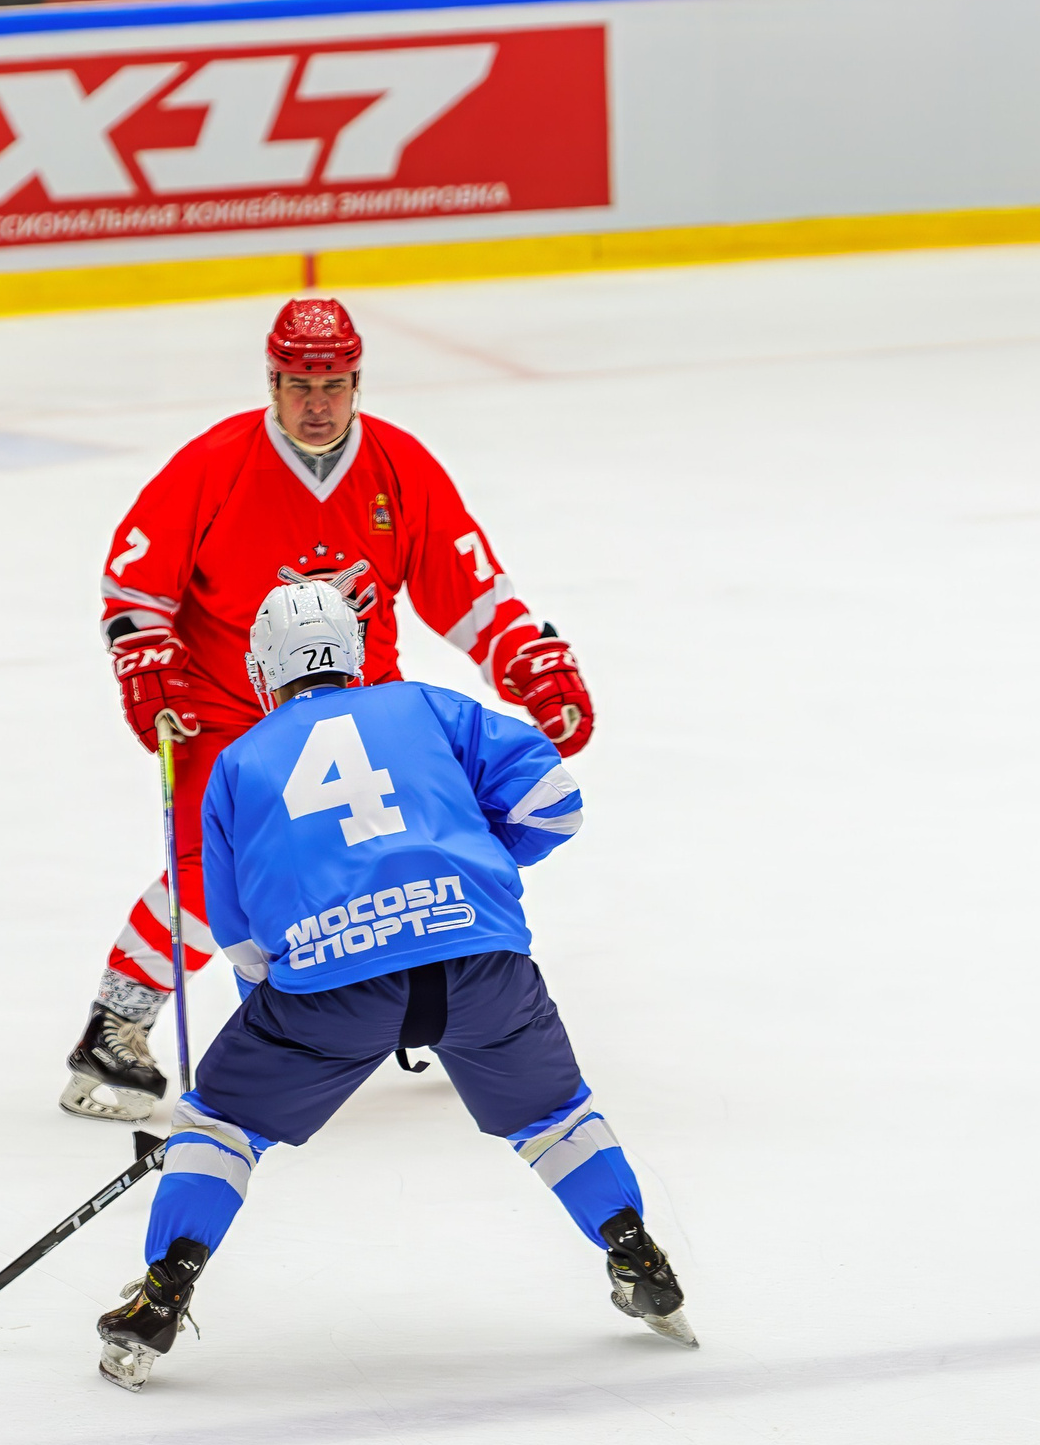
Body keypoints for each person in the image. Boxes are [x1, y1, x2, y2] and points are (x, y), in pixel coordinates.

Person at [92, 580, 689, 1392]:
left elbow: (241, 944)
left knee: (220, 1123)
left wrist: (281, 1024)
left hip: (332, 991)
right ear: (356, 652)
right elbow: (555, 804)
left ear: (262, 669)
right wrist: (470, 872)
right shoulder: (428, 707)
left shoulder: (238, 763)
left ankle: (160, 1297)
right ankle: (637, 1254)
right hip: (481, 966)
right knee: (555, 1116)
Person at [61, 297, 597, 1123]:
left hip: (367, 709)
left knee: (415, 845)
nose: (318, 403)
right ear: (272, 383)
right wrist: (147, 660)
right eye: (300, 385)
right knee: (214, 870)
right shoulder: (214, 465)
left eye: (335, 385)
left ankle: (426, 994)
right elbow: (135, 584)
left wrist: (527, 657)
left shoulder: (399, 467)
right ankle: (117, 1023)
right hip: (227, 707)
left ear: (357, 383)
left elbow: (469, 588)